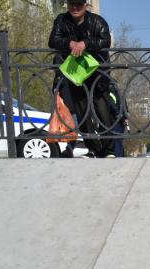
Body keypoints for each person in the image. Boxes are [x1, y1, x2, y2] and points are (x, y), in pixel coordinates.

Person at [49, 0, 116, 158]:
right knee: (83, 113)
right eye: (72, 4)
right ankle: (93, 149)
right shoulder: (61, 20)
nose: (75, 8)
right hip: (76, 75)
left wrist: (85, 44)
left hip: (98, 75)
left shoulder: (97, 21)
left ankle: (109, 150)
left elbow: (105, 41)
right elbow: (53, 41)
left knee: (103, 112)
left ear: (85, 6)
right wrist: (69, 43)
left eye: (78, 4)